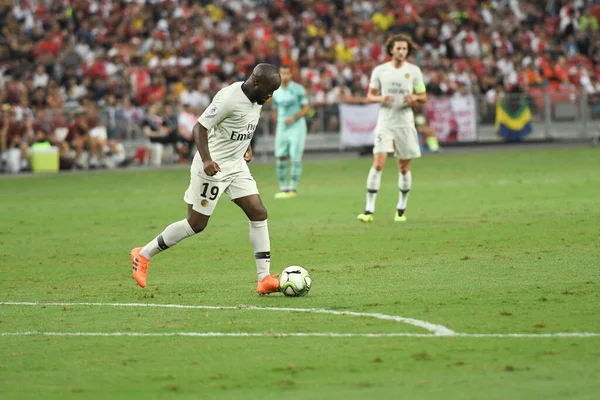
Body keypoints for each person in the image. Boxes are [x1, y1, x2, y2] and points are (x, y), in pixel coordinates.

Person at [130, 63, 282, 295]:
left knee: (258, 212)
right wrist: (207, 160)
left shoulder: (256, 99)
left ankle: (264, 278)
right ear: (256, 81)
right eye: (269, 91)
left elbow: (242, 125)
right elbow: (199, 129)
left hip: (237, 166)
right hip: (213, 167)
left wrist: (246, 146)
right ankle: (143, 254)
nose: (270, 96)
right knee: (196, 224)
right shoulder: (229, 98)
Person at [357, 34, 428, 223]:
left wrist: (415, 98)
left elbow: (423, 95)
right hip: (385, 122)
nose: (401, 52)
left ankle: (401, 209)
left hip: (405, 122)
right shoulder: (380, 71)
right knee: (378, 162)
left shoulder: (414, 71)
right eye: (398, 48)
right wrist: (381, 98)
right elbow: (370, 96)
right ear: (391, 50)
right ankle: (368, 210)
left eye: (404, 49)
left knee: (403, 167)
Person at [271, 65, 310, 199]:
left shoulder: (298, 89)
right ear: (279, 75)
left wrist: (294, 117)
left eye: (287, 73)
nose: (285, 75)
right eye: (283, 73)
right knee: (280, 156)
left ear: (291, 75)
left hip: (297, 125)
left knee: (295, 156)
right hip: (282, 126)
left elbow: (306, 108)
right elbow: (275, 108)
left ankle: (293, 187)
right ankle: (283, 187)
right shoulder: (275, 91)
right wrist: (276, 123)